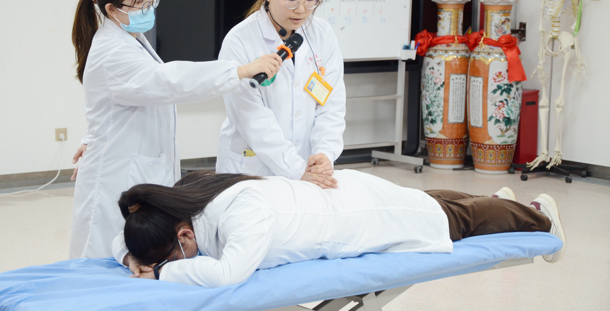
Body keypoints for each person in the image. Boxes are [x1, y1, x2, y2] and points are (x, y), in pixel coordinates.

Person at [69, 0, 283, 259]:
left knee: (136, 253)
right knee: (107, 255)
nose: (148, 8)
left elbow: (111, 103)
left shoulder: (128, 38)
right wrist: (239, 70)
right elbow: (169, 81)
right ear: (112, 9)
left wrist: (91, 137)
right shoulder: (113, 51)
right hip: (116, 176)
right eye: (139, 3)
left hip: (131, 163)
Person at [112, 169, 566, 287]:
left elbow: (229, 274)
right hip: (339, 199)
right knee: (427, 202)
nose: (176, 262)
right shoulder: (186, 199)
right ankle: (500, 202)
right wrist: (131, 256)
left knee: (451, 220)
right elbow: (124, 235)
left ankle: (539, 216)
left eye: (174, 256)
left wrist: (165, 272)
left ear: (184, 236)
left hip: (357, 215)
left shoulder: (241, 215)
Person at [216, 0, 346, 190]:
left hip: (308, 168)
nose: (301, 10)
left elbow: (332, 104)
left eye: (310, 0)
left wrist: (324, 153)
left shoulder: (322, 34)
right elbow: (253, 120)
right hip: (253, 169)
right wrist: (295, 169)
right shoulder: (240, 41)